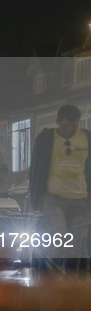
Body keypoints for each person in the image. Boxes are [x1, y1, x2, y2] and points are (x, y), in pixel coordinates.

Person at [30, 105, 91, 271]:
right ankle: (53, 284)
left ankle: (71, 287)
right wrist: (41, 197)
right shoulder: (45, 139)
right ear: (58, 122)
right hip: (54, 198)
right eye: (65, 126)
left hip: (82, 199)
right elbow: (36, 168)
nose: (69, 130)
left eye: (73, 126)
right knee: (58, 241)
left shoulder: (87, 139)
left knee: (74, 246)